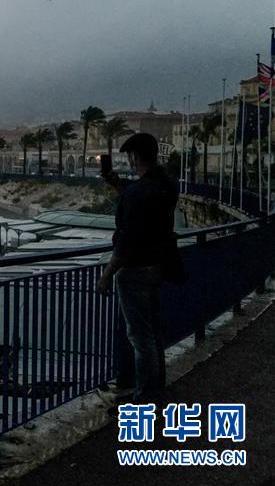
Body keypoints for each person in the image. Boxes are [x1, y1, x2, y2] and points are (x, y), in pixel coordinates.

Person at [97, 132, 184, 405]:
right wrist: (119, 185)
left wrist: (107, 273)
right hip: (159, 266)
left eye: (130, 157)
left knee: (139, 337)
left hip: (134, 271)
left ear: (135, 156)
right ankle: (156, 392)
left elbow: (127, 239)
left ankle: (145, 399)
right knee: (153, 334)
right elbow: (145, 201)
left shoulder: (139, 192)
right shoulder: (167, 185)